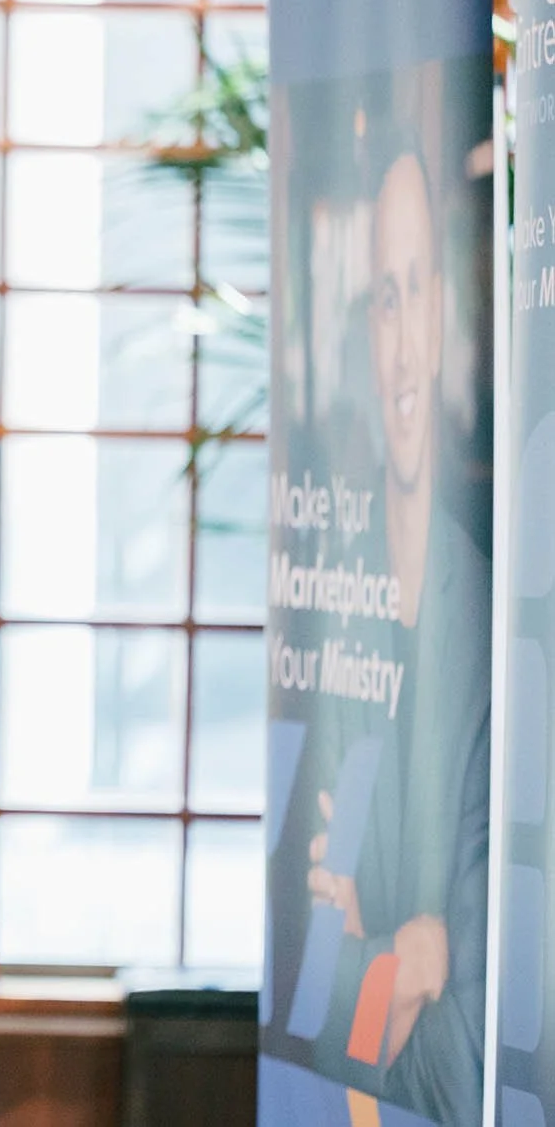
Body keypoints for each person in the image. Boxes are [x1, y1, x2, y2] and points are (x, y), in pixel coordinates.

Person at [299, 130, 489, 1123]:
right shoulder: (338, 595)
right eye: (384, 297)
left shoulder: (498, 620)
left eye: (420, 289)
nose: (405, 337)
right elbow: (316, 996)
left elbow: (460, 1059)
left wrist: (384, 971)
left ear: (448, 309)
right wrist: (404, 961)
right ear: (364, 335)